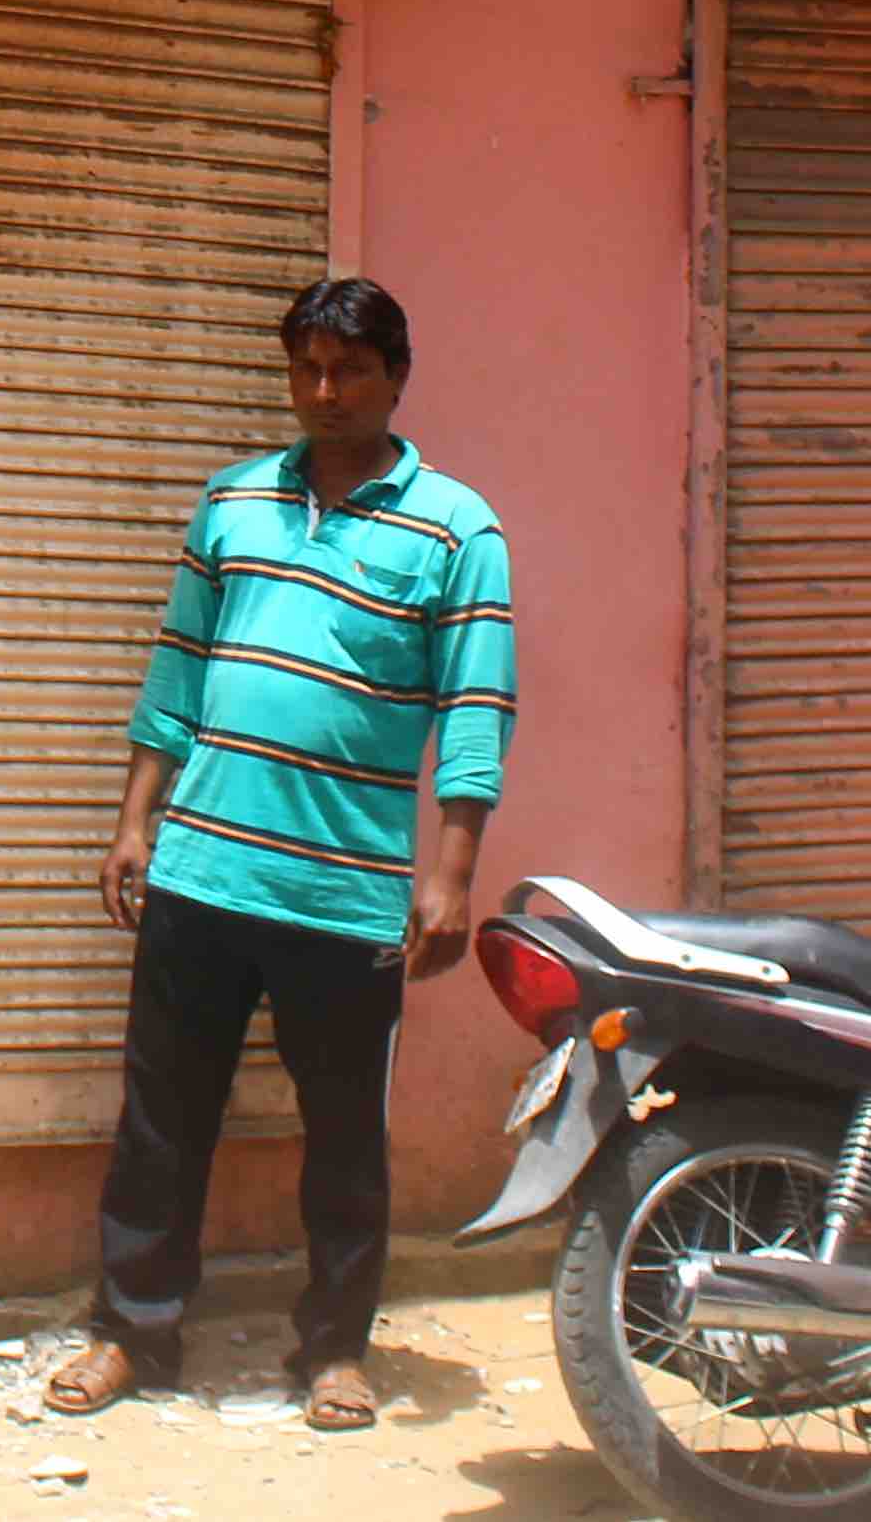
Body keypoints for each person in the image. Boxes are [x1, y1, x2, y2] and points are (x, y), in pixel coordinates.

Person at [40, 276, 515, 1435]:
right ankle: (132, 1330)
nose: (323, 390)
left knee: (344, 1136)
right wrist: (132, 815)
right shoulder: (232, 501)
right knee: (161, 1119)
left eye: (348, 368)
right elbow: (177, 668)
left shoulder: (457, 528)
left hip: (343, 892)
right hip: (200, 873)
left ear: (395, 376)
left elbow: (473, 704)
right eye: (304, 365)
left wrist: (447, 873)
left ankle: (336, 1349)